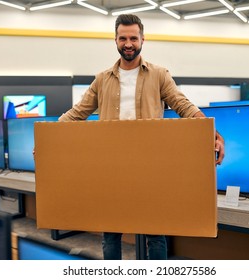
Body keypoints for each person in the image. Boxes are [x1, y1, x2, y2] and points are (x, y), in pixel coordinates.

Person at [58, 14, 225, 260]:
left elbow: (183, 106)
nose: (128, 43)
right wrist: (45, 140)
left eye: (133, 38)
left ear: (142, 39)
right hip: (111, 166)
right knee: (111, 233)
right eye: (123, 38)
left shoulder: (158, 75)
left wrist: (212, 133)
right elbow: (76, 114)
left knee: (155, 233)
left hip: (149, 166)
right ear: (115, 40)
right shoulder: (102, 79)